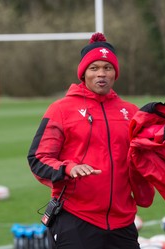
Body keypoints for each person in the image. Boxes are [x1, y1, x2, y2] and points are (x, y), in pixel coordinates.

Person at [27, 32, 153, 249]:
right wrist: (68, 168)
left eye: (107, 67)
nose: (101, 74)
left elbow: (146, 160)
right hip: (76, 220)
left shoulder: (131, 112)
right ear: (83, 73)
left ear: (115, 73)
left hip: (122, 224)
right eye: (94, 68)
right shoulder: (61, 110)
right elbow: (38, 159)